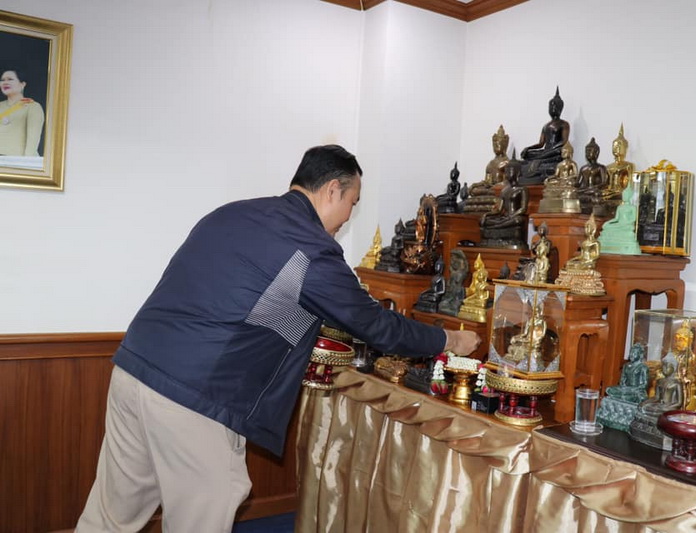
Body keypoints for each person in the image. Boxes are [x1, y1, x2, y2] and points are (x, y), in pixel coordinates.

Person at [76, 145, 481, 532]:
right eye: (352, 202)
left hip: (134, 368)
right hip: (194, 398)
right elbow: (376, 326)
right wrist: (448, 340)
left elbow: (248, 306)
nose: (348, 216)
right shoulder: (311, 247)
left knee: (112, 516)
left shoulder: (232, 214)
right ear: (332, 190)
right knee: (199, 520)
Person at [0, 69, 45, 156]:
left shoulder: (33, 107)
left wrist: (26, 161)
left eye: (10, 79)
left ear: (22, 84)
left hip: (17, 160)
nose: (5, 82)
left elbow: (33, 139)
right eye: (2, 80)